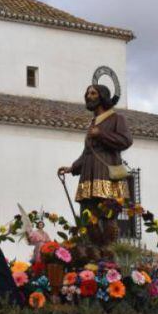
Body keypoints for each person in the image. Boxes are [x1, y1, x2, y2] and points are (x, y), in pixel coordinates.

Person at [57, 84, 133, 242]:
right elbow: (87, 152)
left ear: (102, 96)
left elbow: (126, 141)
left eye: (93, 93)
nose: (88, 96)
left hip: (105, 173)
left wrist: (101, 134)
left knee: (107, 215)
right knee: (88, 216)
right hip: (88, 175)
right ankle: (91, 251)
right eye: (87, 93)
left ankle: (108, 253)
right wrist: (72, 168)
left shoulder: (117, 119)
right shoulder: (93, 123)